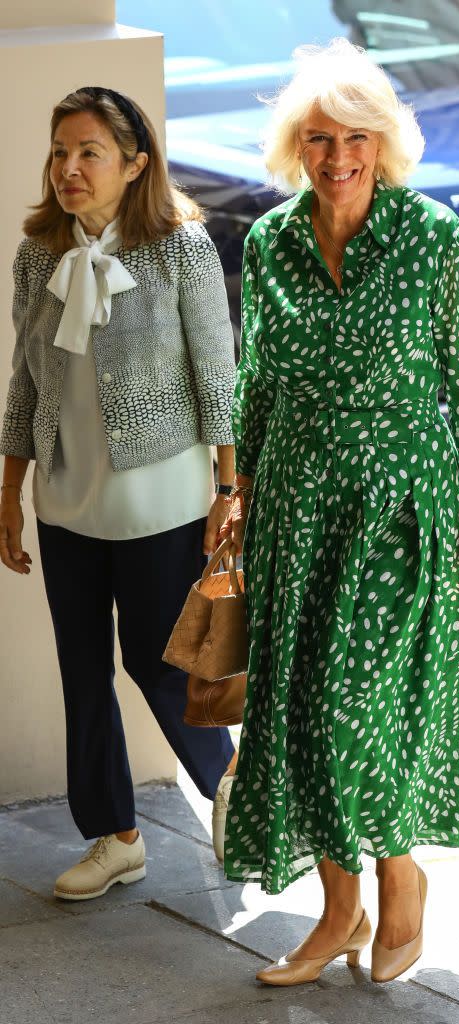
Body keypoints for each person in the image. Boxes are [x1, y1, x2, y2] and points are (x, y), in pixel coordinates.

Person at [220, 38, 459, 985]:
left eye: (354, 136)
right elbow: (256, 378)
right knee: (302, 704)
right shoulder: (270, 243)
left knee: (366, 708)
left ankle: (401, 882)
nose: (336, 154)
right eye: (317, 137)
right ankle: (339, 910)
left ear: (382, 144)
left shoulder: (431, 237)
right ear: (293, 147)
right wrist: (234, 492)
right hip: (297, 513)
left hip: (400, 510)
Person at [0, 87, 239, 901]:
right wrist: (10, 490)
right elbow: (25, 387)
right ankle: (116, 836)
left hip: (161, 499)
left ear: (135, 164)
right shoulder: (38, 255)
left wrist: (230, 486)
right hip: (66, 501)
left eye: (89, 152)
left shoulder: (181, 249)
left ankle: (231, 787)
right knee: (81, 670)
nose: (69, 167)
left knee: (158, 659)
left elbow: (217, 373)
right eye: (60, 151)